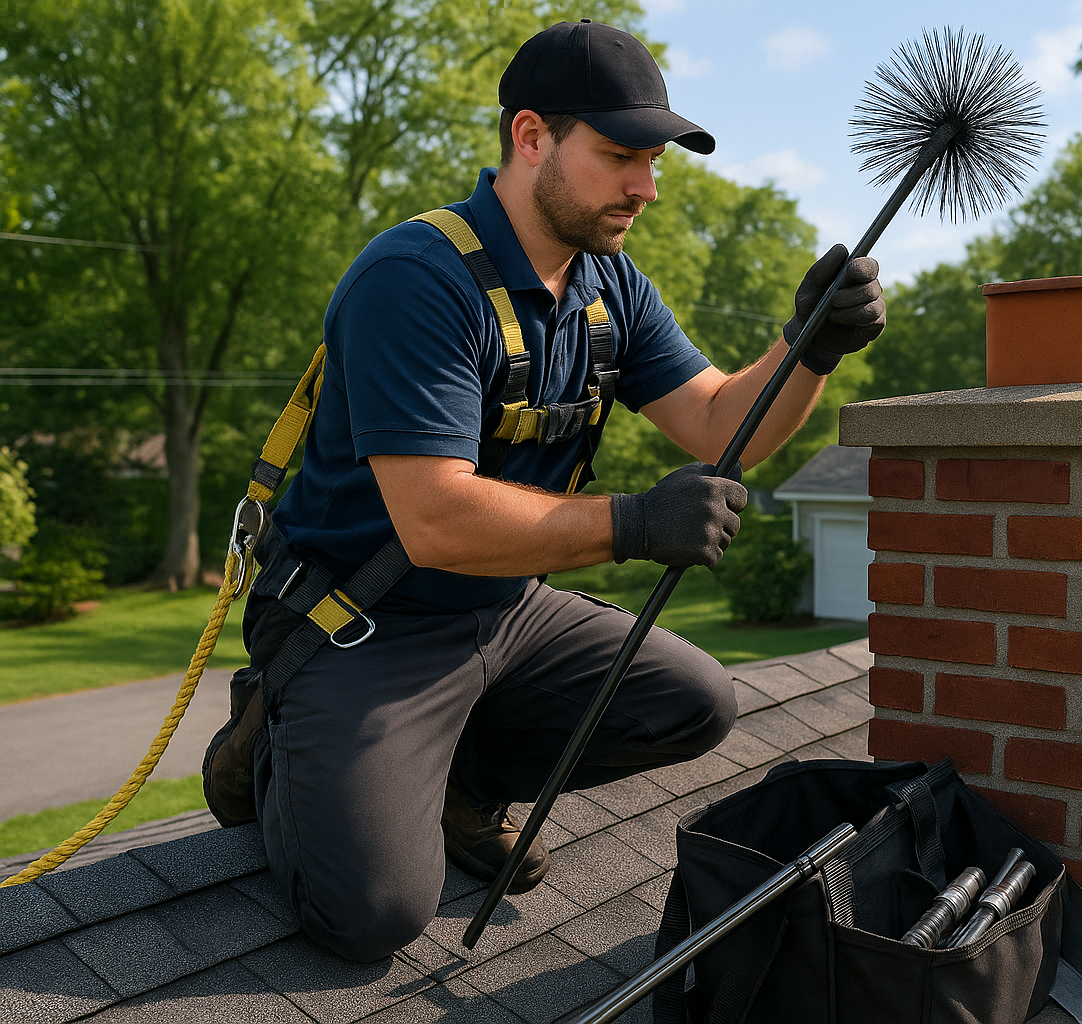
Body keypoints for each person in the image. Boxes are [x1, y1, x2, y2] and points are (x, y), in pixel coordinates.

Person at [201, 19, 885, 962]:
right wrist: (637, 522)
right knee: (370, 917)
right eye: (620, 157)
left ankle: (461, 781)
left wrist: (808, 348)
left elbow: (724, 424)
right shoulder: (416, 279)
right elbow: (436, 518)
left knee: (696, 701)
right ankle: (274, 742)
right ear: (531, 138)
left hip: (504, 611)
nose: (646, 188)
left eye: (654, 162)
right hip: (364, 621)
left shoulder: (611, 287)